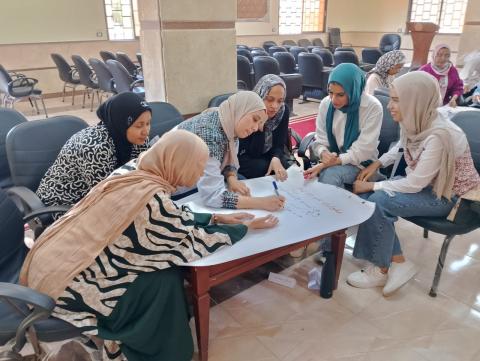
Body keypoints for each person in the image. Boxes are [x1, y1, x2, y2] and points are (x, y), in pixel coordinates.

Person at [20, 130, 279, 361]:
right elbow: (192, 241)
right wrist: (243, 227)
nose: (201, 174)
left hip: (53, 259)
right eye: (198, 166)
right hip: (70, 286)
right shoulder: (152, 199)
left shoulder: (135, 169)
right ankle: (162, 351)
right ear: (178, 161)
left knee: (162, 276)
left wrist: (214, 217)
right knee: (163, 281)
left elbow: (169, 217)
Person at [350, 72, 480, 296]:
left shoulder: (440, 135)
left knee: (378, 199)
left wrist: (372, 186)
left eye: (397, 100)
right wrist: (377, 163)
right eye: (391, 98)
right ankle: (395, 260)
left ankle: (383, 268)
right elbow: (401, 145)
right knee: (372, 196)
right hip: (431, 187)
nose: (390, 106)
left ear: (416, 100)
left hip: (455, 201)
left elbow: (413, 184)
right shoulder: (417, 118)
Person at [36, 92, 151, 208]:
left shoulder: (138, 138)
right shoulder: (96, 148)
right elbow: (106, 197)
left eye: (148, 123)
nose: (146, 131)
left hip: (99, 200)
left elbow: (146, 174)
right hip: (64, 206)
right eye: (139, 125)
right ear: (121, 124)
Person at [178, 91, 286, 211]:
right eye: (255, 120)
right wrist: (261, 203)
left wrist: (231, 178)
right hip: (174, 188)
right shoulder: (209, 134)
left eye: (259, 123)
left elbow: (229, 158)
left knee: (240, 183)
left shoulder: (228, 122)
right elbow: (212, 196)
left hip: (198, 180)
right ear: (240, 110)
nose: (256, 128)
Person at [303, 63, 383, 188]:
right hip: (334, 159)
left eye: (340, 95)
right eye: (330, 92)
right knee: (325, 175)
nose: (333, 99)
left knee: (330, 174)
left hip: (362, 164)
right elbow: (321, 139)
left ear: (354, 89)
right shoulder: (326, 104)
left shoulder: (372, 107)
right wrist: (323, 152)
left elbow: (362, 151)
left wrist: (325, 164)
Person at [238, 75, 291, 181]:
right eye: (270, 99)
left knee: (284, 167)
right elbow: (251, 152)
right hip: (245, 157)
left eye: (280, 101)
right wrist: (261, 126)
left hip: (268, 153)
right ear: (260, 95)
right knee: (263, 168)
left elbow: (279, 144)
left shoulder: (283, 111)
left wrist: (275, 158)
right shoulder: (248, 111)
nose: (275, 106)